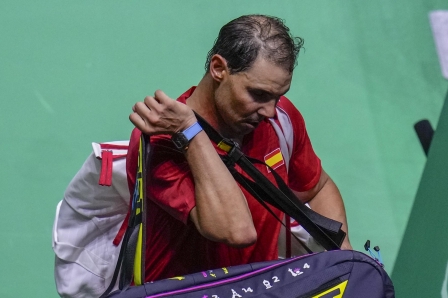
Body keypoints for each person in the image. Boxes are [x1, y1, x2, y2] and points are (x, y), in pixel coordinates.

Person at [127, 14, 352, 282]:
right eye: (258, 94)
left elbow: (318, 186)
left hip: (260, 288)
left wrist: (343, 260)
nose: (270, 111)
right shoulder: (162, 142)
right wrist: (191, 132)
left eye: (278, 96)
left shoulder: (280, 120)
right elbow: (236, 231)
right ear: (219, 68)